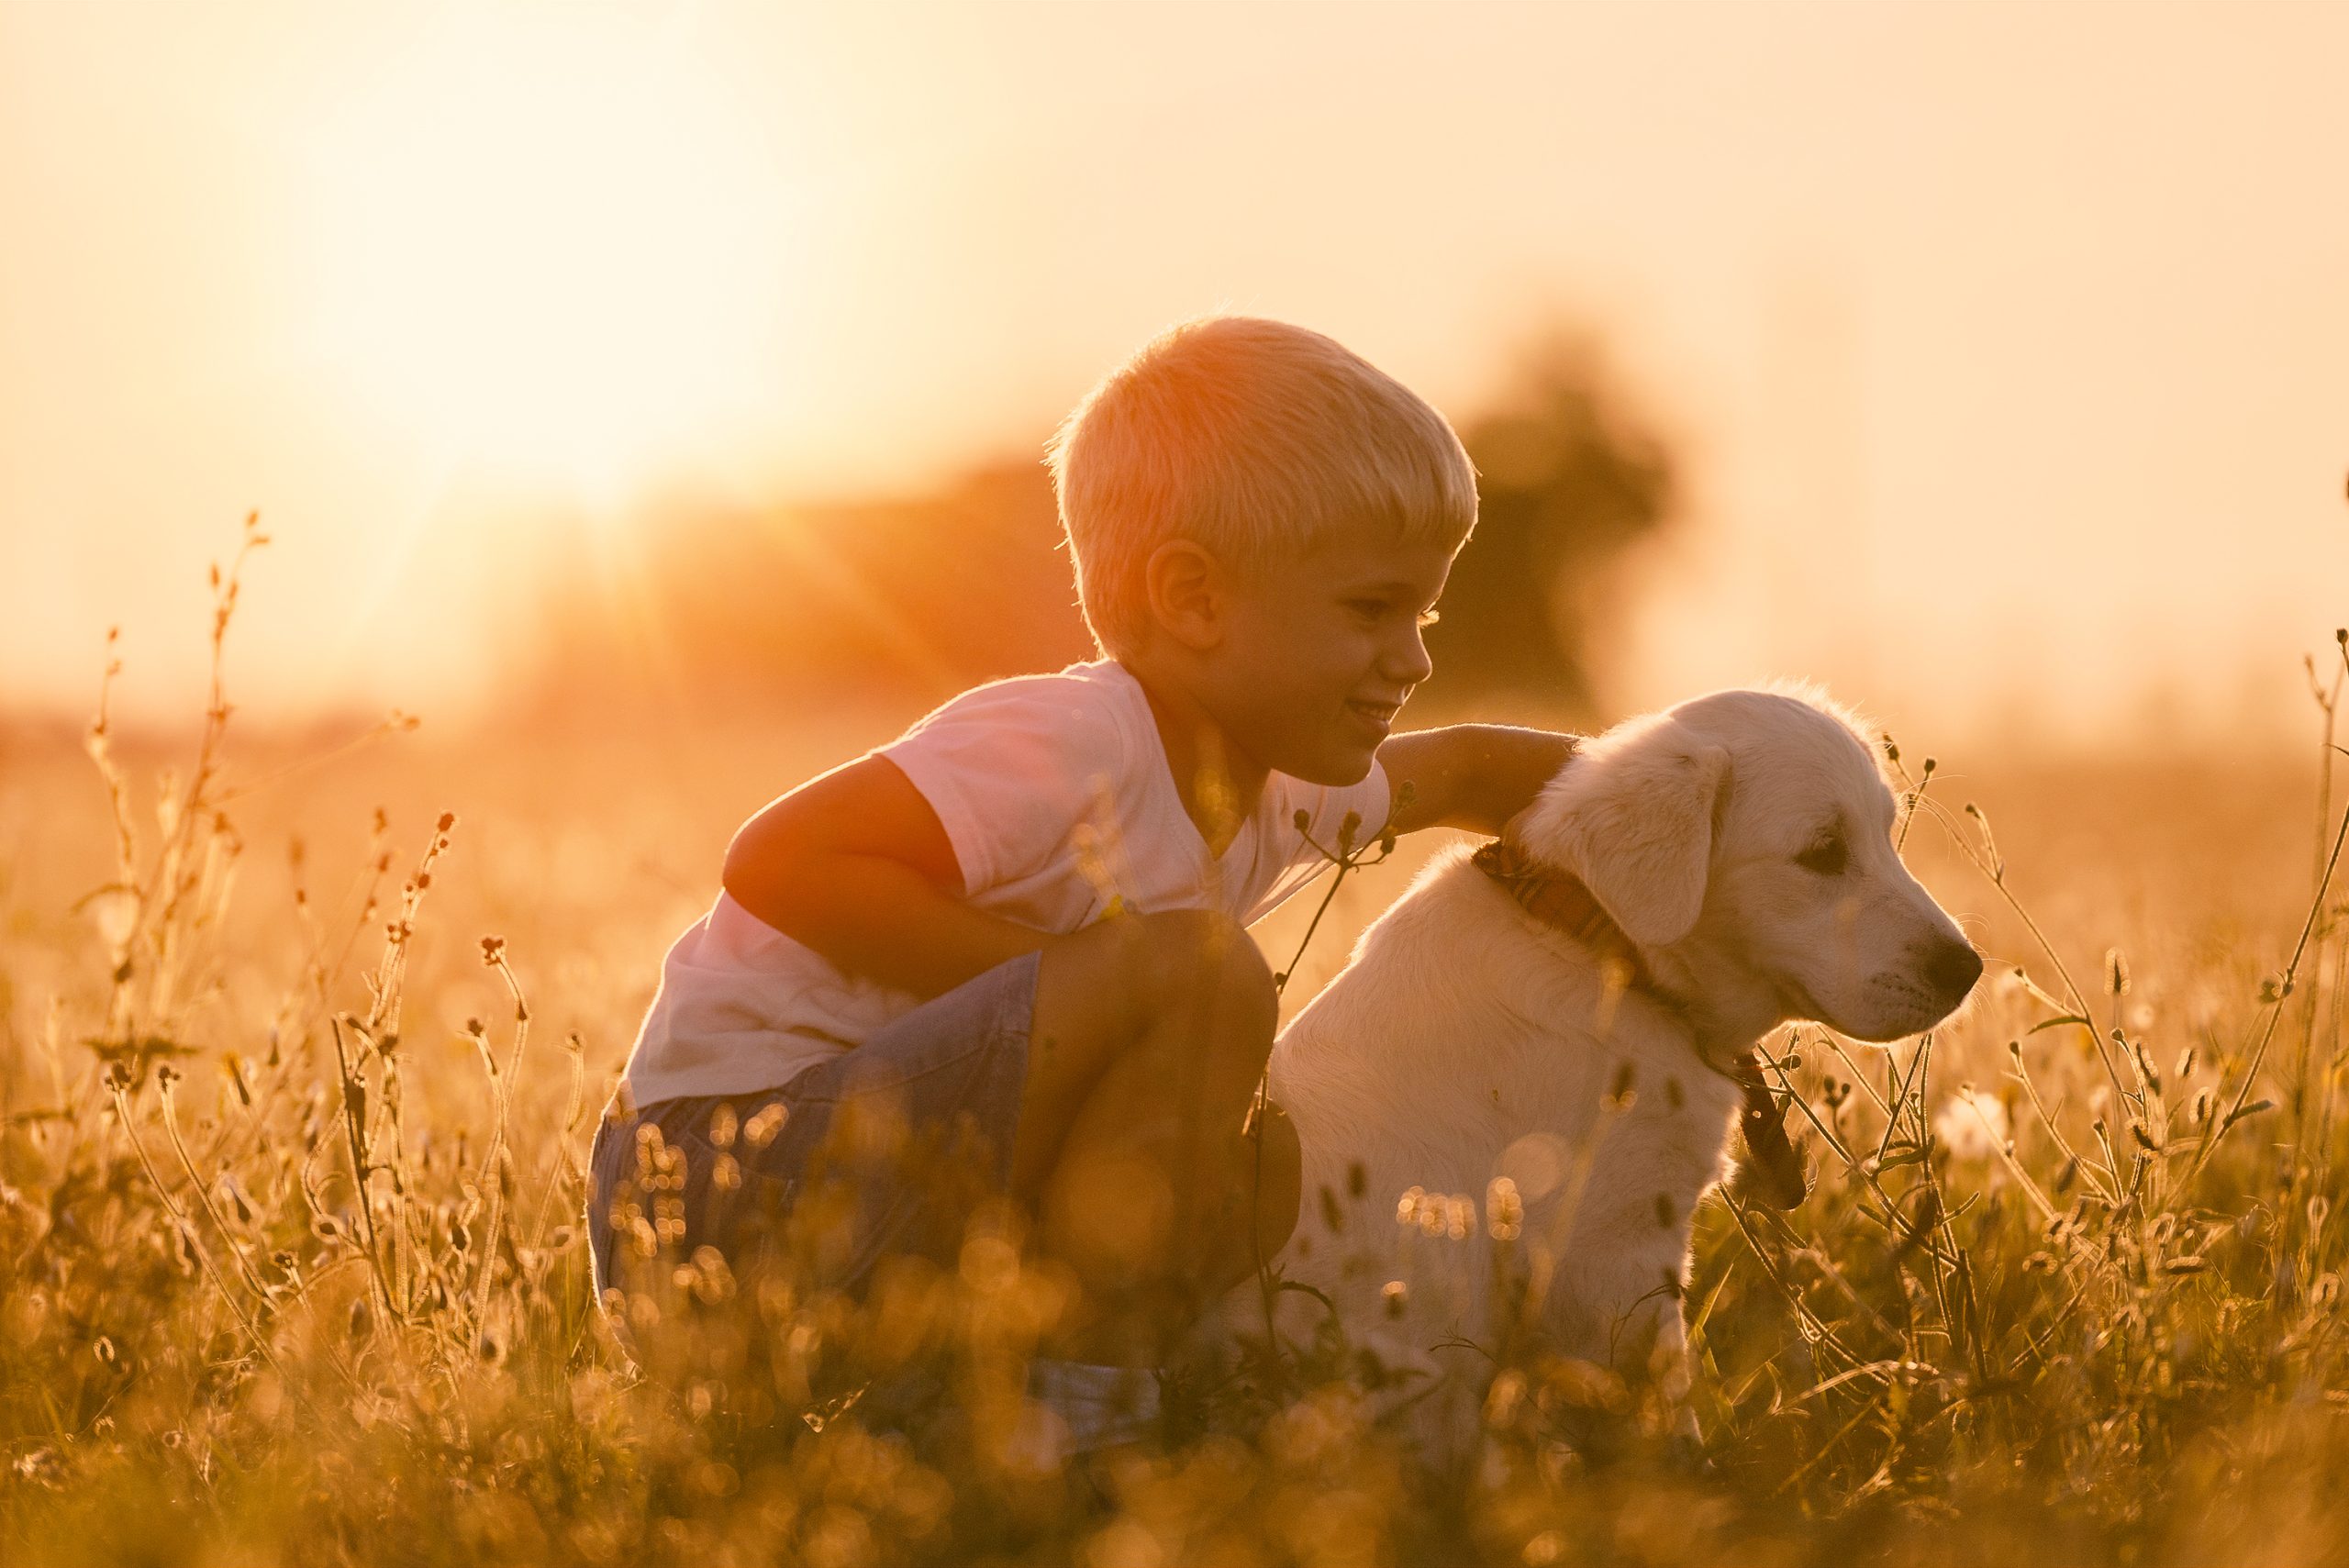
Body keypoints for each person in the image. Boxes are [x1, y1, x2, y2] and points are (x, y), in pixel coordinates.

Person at [585, 315, 1575, 1444]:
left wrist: (1683, 795)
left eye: (1424, 612)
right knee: (1198, 977)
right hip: (713, 1187)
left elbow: (1469, 769)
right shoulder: (1073, 739)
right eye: (1370, 609)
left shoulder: (1283, 785)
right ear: (1194, 599)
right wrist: (1079, 986)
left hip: (867, 1201)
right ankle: (1081, 1428)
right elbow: (780, 857)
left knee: (1263, 1165)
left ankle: (978, 1407)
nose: (1415, 656)